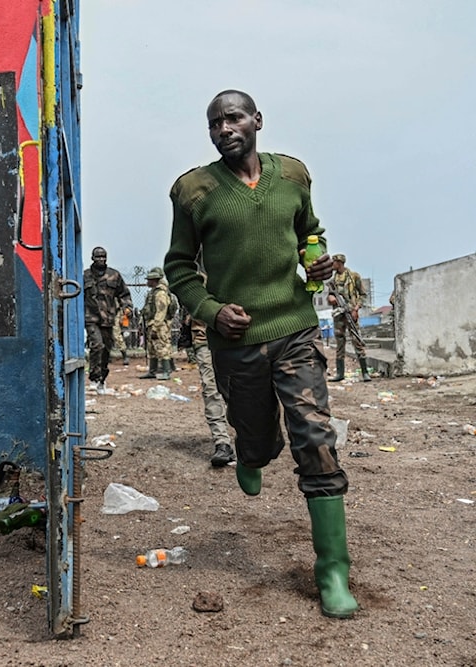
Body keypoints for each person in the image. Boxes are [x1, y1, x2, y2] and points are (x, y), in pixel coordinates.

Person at [163, 89, 358, 618]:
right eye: (214, 123)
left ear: (257, 121)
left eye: (233, 118)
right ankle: (252, 454)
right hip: (237, 342)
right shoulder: (194, 191)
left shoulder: (292, 176)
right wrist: (210, 309)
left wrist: (317, 263)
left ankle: (332, 571)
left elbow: (308, 236)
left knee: (315, 437)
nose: (225, 128)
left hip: (293, 326)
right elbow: (178, 267)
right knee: (255, 435)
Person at [181, 286, 236, 468]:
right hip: (204, 339)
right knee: (210, 389)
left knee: (237, 389)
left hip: (236, 338)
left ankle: (247, 438)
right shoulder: (195, 278)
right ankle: (222, 442)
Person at [83, 246, 133, 391]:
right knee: (97, 345)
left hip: (108, 318)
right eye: (98, 257)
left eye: (103, 257)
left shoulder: (114, 275)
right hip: (91, 317)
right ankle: (94, 376)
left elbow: (124, 294)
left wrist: (127, 307)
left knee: (106, 349)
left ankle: (102, 378)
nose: (101, 259)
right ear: (92, 258)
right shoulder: (85, 276)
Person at [327, 254, 370, 382]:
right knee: (340, 342)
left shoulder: (354, 276)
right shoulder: (333, 280)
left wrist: (356, 309)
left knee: (357, 340)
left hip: (351, 313)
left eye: (333, 262)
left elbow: (363, 295)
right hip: (338, 315)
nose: (332, 265)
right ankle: (340, 373)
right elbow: (329, 296)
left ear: (339, 263)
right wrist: (331, 298)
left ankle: (365, 372)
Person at [139, 267, 173, 380]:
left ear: (154, 280)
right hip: (151, 323)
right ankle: (152, 371)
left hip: (160, 325)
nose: (147, 282)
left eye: (149, 280)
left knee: (162, 347)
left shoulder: (160, 294)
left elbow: (161, 311)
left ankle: (166, 371)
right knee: (152, 349)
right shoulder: (153, 293)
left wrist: (156, 327)